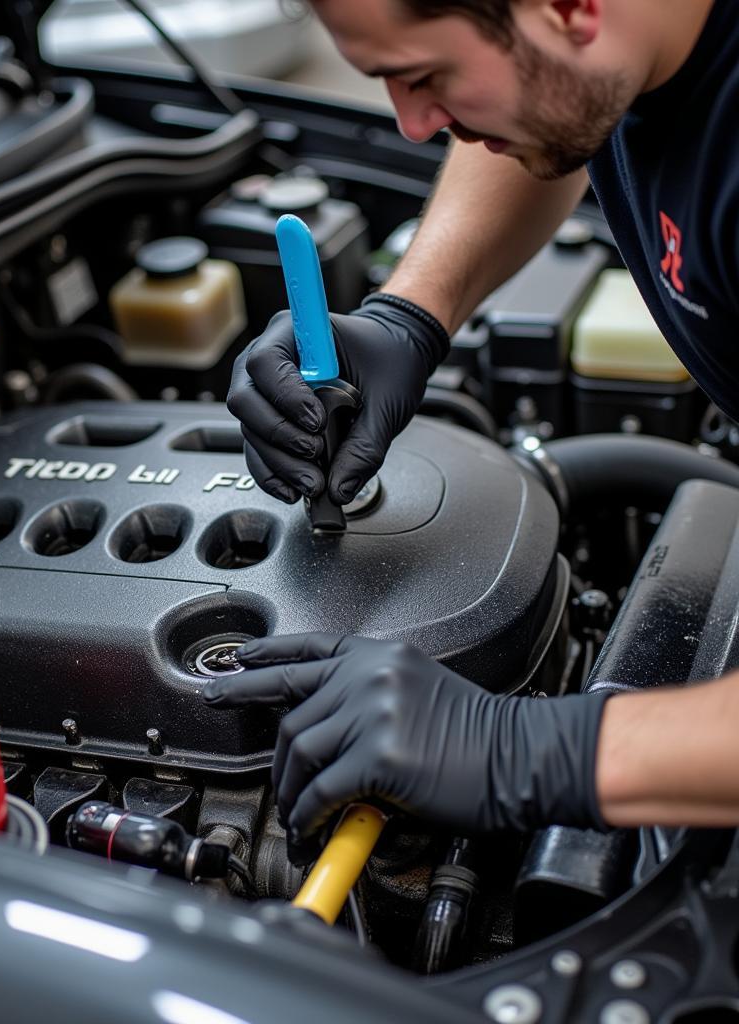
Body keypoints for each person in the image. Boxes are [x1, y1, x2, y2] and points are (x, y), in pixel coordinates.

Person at [204, 0, 739, 863]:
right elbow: (557, 104)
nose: (414, 128)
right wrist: (410, 315)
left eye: (425, 78)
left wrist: (526, 749)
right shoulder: (622, 40)